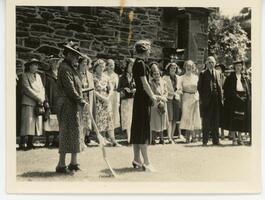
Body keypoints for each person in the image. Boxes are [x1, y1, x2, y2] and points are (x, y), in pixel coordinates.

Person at [56, 42, 87, 173]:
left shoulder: (72, 68)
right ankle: (61, 165)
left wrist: (80, 99)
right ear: (68, 54)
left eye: (77, 55)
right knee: (66, 133)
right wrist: (80, 100)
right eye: (74, 55)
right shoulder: (64, 68)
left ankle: (73, 163)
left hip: (74, 105)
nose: (76, 58)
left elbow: (78, 85)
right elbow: (70, 88)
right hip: (67, 104)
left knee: (75, 132)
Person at [130, 40, 157, 172]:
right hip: (142, 100)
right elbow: (145, 83)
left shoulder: (137, 63)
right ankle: (146, 162)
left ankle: (136, 159)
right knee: (142, 130)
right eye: (149, 50)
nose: (150, 52)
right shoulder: (140, 64)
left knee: (137, 129)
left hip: (139, 99)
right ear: (145, 51)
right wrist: (153, 96)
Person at [222, 60, 251, 145]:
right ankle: (234, 138)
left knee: (241, 119)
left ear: (242, 67)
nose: (238, 67)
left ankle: (239, 138)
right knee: (234, 119)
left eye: (240, 66)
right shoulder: (230, 77)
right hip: (233, 100)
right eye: (237, 66)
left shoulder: (244, 77)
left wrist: (245, 97)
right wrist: (236, 97)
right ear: (234, 67)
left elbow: (247, 89)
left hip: (243, 100)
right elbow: (227, 90)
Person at [93, 59, 121, 147]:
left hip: (106, 100)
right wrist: (101, 97)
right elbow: (93, 90)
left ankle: (113, 140)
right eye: (100, 67)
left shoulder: (106, 77)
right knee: (100, 120)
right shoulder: (93, 78)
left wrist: (108, 98)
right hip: (98, 101)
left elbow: (111, 88)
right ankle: (101, 140)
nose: (101, 68)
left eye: (103, 67)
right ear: (96, 67)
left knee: (109, 120)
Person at [19, 58, 45, 150]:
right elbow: (26, 89)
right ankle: (22, 142)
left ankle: (30, 142)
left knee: (34, 123)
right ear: (29, 66)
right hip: (28, 102)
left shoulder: (38, 76)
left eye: (37, 65)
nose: (36, 66)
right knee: (27, 122)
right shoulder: (25, 75)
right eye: (34, 64)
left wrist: (42, 98)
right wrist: (37, 98)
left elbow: (42, 88)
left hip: (38, 103)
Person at [198, 56, 223, 146]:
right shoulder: (203, 73)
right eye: (209, 62)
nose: (211, 64)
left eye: (213, 62)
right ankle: (205, 141)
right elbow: (199, 88)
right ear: (206, 64)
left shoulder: (218, 73)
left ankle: (216, 141)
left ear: (215, 63)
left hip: (216, 100)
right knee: (206, 121)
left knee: (216, 121)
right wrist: (203, 99)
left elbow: (220, 87)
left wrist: (221, 99)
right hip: (207, 101)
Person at [178, 60, 201, 143]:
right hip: (186, 97)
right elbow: (179, 89)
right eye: (187, 66)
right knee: (187, 117)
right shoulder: (181, 78)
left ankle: (194, 136)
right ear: (185, 67)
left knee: (194, 117)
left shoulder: (196, 77)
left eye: (191, 66)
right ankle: (188, 137)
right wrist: (180, 96)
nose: (189, 67)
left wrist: (197, 97)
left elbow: (199, 89)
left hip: (195, 97)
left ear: (193, 67)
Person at [44, 55, 61, 148]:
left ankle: (56, 139)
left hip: (58, 100)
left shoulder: (60, 74)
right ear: (50, 63)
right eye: (53, 61)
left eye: (56, 61)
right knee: (49, 119)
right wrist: (46, 100)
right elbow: (44, 88)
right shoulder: (46, 74)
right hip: (50, 98)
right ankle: (47, 140)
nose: (55, 63)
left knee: (57, 120)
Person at [117, 58, 136, 143]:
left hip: (134, 99)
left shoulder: (135, 76)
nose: (132, 67)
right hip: (125, 100)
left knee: (133, 118)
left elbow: (139, 87)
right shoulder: (121, 77)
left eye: (133, 65)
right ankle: (129, 137)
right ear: (127, 66)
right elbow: (118, 89)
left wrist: (135, 89)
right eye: (131, 65)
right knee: (127, 118)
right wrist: (124, 88)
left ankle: (133, 137)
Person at [149, 64, 169, 144]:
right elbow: (151, 93)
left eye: (158, 74)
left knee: (162, 121)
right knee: (154, 122)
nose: (156, 75)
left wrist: (164, 97)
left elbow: (166, 92)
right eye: (154, 74)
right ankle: (153, 139)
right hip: (155, 103)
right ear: (152, 75)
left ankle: (161, 138)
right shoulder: (150, 83)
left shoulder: (163, 82)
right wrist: (160, 98)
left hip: (163, 103)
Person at [163, 62, 182, 143]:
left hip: (176, 99)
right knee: (170, 118)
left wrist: (177, 93)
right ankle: (169, 137)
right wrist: (171, 93)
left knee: (175, 118)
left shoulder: (179, 78)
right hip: (169, 99)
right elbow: (163, 89)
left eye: (174, 68)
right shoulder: (165, 78)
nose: (173, 70)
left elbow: (180, 89)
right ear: (168, 69)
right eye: (171, 68)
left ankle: (172, 136)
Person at [78, 56, 94, 146]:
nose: (84, 64)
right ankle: (79, 140)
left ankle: (83, 140)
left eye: (86, 63)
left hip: (87, 100)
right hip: (79, 100)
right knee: (79, 120)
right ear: (79, 63)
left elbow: (92, 88)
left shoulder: (89, 75)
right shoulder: (76, 74)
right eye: (83, 62)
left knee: (86, 121)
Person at [104, 59, 120, 130]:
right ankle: (105, 130)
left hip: (114, 96)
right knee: (107, 112)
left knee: (114, 112)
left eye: (113, 65)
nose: (111, 67)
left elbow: (117, 88)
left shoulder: (116, 75)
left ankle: (111, 130)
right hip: (106, 95)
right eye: (110, 65)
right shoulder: (104, 74)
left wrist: (118, 100)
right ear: (106, 66)